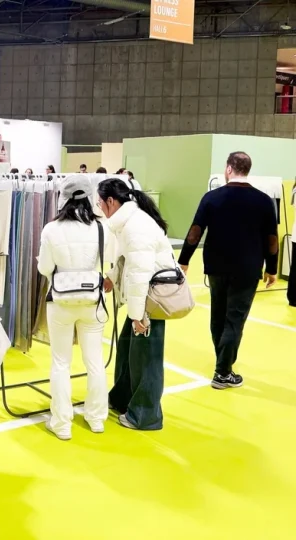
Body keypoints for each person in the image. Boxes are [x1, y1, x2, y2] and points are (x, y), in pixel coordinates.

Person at [178, 152, 278, 389]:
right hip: (248, 268)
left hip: (216, 267)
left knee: (218, 317)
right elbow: (272, 239)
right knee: (235, 319)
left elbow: (195, 231)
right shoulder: (264, 200)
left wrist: (184, 260)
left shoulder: (212, 197)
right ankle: (223, 372)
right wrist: (272, 268)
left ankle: (223, 365)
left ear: (229, 169)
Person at [97, 178, 174, 431]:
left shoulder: (135, 226)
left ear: (110, 201)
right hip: (144, 296)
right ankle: (122, 399)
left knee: (146, 358)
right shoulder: (128, 222)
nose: (99, 208)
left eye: (100, 203)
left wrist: (138, 316)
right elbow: (127, 260)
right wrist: (112, 277)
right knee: (128, 350)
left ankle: (145, 415)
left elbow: (141, 273)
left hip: (151, 299)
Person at [37, 174, 108, 440]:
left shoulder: (51, 229)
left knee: (60, 362)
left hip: (61, 301)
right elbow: (105, 264)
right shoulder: (100, 228)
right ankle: (96, 418)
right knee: (95, 361)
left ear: (63, 197)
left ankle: (61, 423)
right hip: (92, 300)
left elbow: (44, 268)